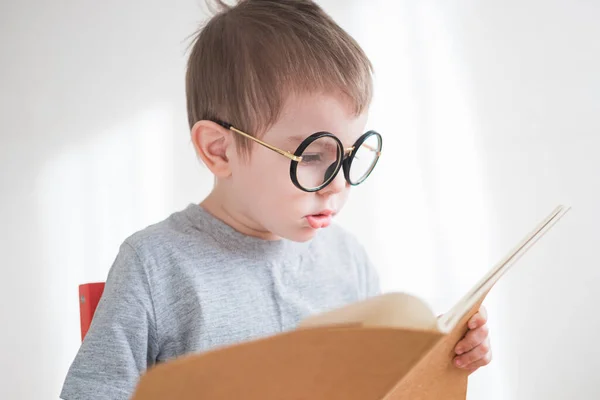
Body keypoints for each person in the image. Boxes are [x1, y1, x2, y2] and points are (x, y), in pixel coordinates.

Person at [60, 1, 491, 398]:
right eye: (312, 155)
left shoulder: (347, 260)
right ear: (220, 150)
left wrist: (445, 363)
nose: (338, 183)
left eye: (351, 154)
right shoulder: (156, 264)